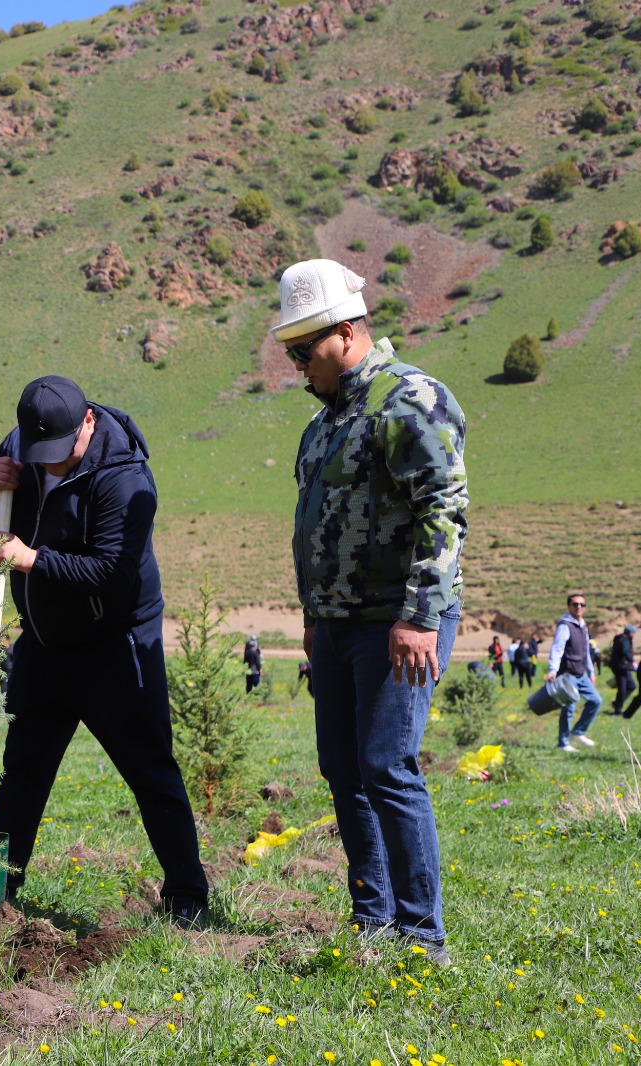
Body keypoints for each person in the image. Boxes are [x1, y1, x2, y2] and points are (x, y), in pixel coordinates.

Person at [0, 374, 210, 924]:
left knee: (150, 770)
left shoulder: (124, 478)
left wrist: (33, 559)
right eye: (36, 454)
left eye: (59, 453)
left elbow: (112, 574)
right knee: (22, 772)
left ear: (87, 422)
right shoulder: (23, 446)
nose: (48, 465)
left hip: (114, 645)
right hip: (45, 644)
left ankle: (188, 896)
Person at [275, 258, 468, 964]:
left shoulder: (409, 399)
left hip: (397, 621)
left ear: (348, 332)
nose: (298, 366)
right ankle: (373, 920)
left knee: (388, 767)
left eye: (306, 351)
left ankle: (422, 937)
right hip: (335, 624)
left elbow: (443, 510)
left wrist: (420, 617)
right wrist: (311, 615)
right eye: (291, 352)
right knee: (343, 770)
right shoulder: (323, 424)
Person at [547, 594, 602, 752]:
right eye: (575, 604)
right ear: (569, 606)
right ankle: (563, 743)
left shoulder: (583, 625)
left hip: (581, 673)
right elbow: (557, 648)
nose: (579, 607)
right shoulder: (565, 625)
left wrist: (591, 672)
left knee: (596, 701)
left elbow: (586, 651)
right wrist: (552, 670)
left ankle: (578, 732)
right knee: (569, 707)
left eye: (582, 604)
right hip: (567, 674)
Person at [608, 625, 638, 715]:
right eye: (634, 632)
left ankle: (616, 704)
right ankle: (618, 709)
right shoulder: (624, 640)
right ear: (630, 632)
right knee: (622, 688)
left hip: (623, 666)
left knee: (631, 686)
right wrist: (633, 661)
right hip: (620, 667)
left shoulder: (622, 638)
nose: (635, 634)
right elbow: (625, 651)